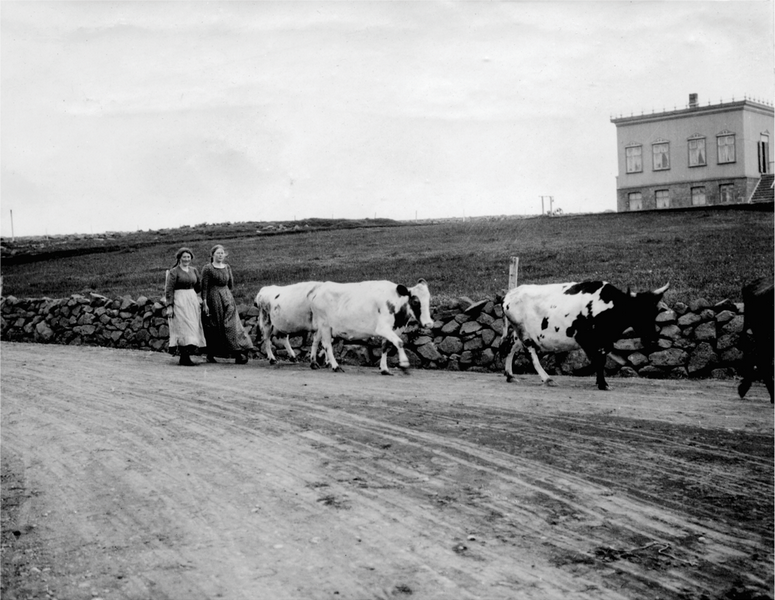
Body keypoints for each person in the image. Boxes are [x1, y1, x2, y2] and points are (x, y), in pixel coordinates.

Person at [200, 244, 254, 364]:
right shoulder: (207, 268)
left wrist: (227, 293)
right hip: (213, 298)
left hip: (227, 297)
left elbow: (230, 285)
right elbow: (204, 287)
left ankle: (238, 350)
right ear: (212, 255)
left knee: (232, 324)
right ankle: (211, 353)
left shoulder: (227, 267)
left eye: (222, 253)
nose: (220, 255)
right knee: (216, 326)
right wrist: (205, 303)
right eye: (218, 253)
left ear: (225, 255)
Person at [165, 247, 206, 366]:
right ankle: (184, 357)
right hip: (179, 300)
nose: (186, 259)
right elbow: (169, 290)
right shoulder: (174, 271)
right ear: (179, 258)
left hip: (191, 300)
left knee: (193, 326)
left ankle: (187, 354)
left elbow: (198, 286)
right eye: (184, 257)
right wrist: (170, 306)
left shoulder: (193, 270)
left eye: (188, 257)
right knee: (183, 327)